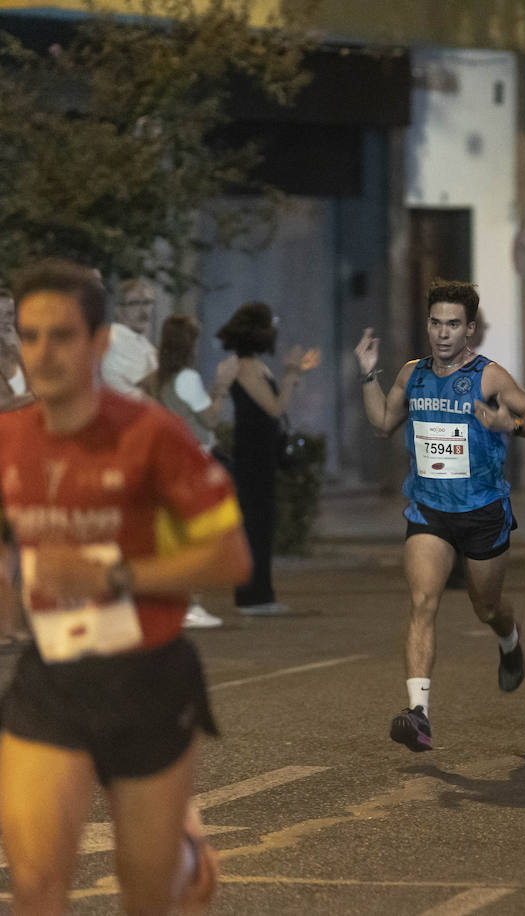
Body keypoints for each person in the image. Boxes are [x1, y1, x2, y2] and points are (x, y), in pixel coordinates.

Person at [0, 258, 252, 914]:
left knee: (145, 892)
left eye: (62, 336)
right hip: (50, 679)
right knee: (34, 885)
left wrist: (115, 575)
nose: (42, 353)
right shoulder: (8, 439)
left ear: (100, 342)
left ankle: (183, 851)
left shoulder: (152, 435)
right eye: (29, 336)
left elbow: (231, 559)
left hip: (148, 679)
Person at [355, 277, 525, 753]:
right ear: (428, 325)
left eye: (454, 325)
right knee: (423, 601)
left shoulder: (489, 377)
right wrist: (367, 374)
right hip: (429, 510)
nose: (443, 333)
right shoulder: (411, 374)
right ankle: (418, 713)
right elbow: (383, 423)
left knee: (486, 606)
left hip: (482, 511)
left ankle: (509, 640)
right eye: (437, 323)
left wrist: (512, 424)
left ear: (470, 329)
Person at [215, 302, 320, 616]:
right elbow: (273, 407)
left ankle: (260, 593)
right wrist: (289, 374)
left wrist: (292, 375)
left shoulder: (256, 365)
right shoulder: (245, 366)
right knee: (254, 524)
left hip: (261, 452)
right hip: (252, 455)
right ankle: (253, 596)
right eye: (270, 324)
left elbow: (276, 407)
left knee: (261, 523)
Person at [153, 314, 240, 629]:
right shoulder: (187, 378)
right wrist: (222, 386)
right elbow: (211, 419)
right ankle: (189, 606)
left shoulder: (159, 378)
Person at [100, 277, 159, 397]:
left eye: (148, 302)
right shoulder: (115, 340)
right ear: (119, 310)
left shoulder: (144, 344)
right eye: (135, 303)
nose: (144, 310)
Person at [0, 287, 33, 412]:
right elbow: (2, 403)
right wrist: (41, 394)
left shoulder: (18, 346)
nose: (4, 321)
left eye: (9, 314)